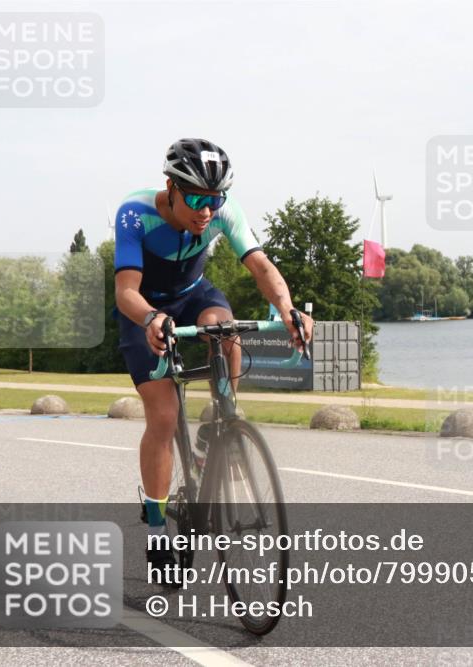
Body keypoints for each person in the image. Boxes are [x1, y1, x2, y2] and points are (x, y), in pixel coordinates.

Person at [113, 138, 313, 586]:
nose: (207, 210)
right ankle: (159, 526)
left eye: (215, 199)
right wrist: (149, 317)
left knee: (224, 327)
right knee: (163, 418)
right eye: (198, 199)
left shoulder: (224, 211)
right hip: (143, 308)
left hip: (194, 297)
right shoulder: (135, 213)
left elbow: (261, 266)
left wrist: (288, 308)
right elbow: (126, 289)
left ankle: (223, 416)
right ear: (171, 188)